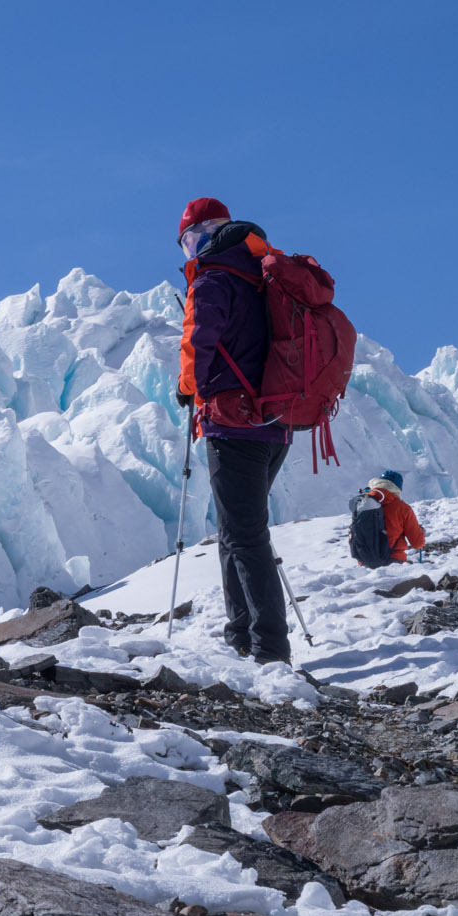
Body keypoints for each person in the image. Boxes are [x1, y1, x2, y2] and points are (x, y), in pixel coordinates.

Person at [176, 196, 294, 663]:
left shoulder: (212, 279)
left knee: (245, 536)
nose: (191, 250)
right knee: (236, 531)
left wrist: (187, 387)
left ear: (207, 234)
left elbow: (197, 339)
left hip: (232, 423)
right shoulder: (263, 276)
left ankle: (269, 647)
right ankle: (240, 634)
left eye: (191, 240)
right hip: (276, 424)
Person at [350, 468, 428, 566]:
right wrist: (421, 533)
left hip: (364, 561)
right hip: (393, 560)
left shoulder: (364, 504)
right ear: (398, 488)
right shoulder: (402, 508)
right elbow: (417, 543)